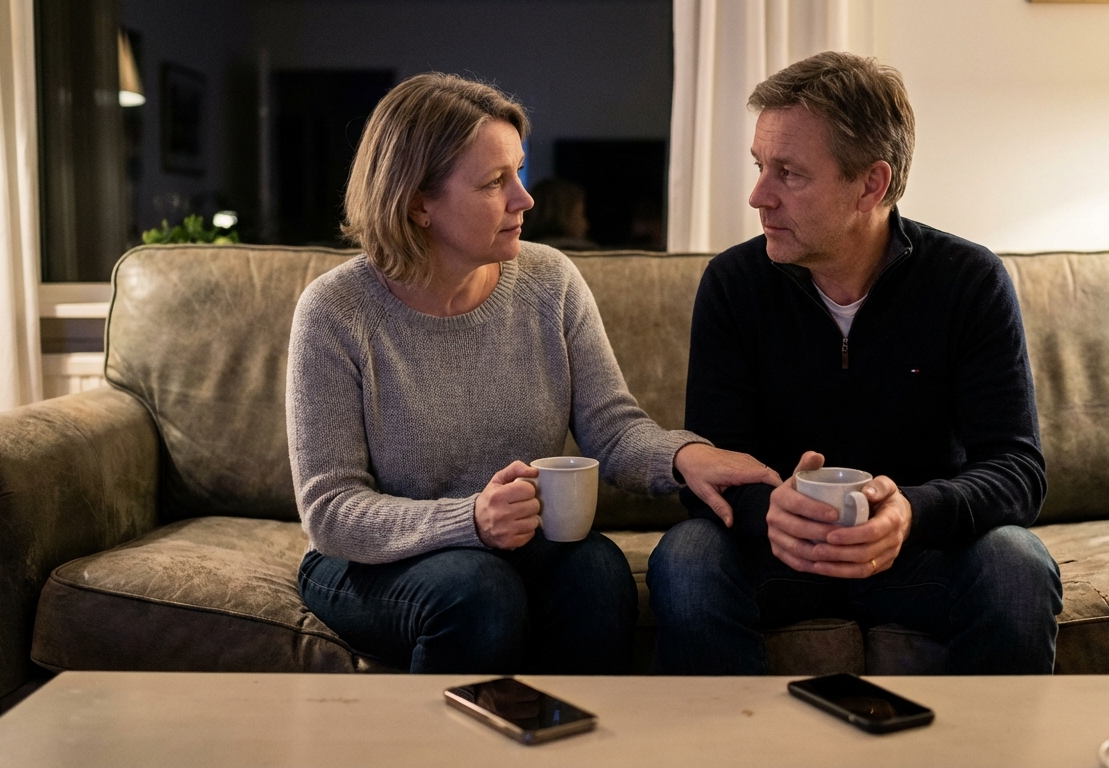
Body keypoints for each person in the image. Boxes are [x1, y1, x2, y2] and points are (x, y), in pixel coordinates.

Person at [286, 73, 778, 675]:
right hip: (369, 561)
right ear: (418, 201)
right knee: (478, 590)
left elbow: (612, 428)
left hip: (515, 543)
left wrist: (684, 458)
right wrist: (470, 520)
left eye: (518, 172)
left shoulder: (551, 282)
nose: (525, 199)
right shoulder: (336, 312)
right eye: (496, 182)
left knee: (598, 572)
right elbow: (332, 510)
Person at [647, 52, 1063, 675]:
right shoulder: (735, 283)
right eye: (760, 166)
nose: (758, 196)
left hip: (917, 553)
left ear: (870, 184)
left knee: (1018, 564)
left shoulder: (968, 281)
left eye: (788, 173)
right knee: (686, 557)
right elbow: (715, 467)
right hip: (778, 557)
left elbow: (1018, 470)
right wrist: (773, 513)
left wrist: (911, 513)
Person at [521, 177, 598, 250]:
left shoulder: (518, 252)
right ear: (566, 216)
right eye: (581, 215)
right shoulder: (590, 254)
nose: (587, 225)